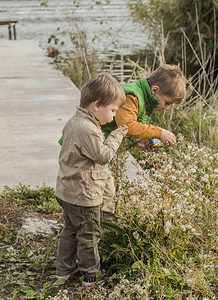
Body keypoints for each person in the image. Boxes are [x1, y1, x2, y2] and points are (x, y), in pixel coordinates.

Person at [55, 73, 128, 286]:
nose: (114, 117)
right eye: (113, 110)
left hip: (67, 191)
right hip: (83, 196)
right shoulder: (88, 129)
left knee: (70, 231)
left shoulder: (74, 122)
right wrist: (116, 136)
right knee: (89, 235)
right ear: (97, 106)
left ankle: (63, 270)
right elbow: (102, 156)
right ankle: (90, 275)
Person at [101, 64, 186, 150]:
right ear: (155, 90)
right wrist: (160, 133)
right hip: (96, 141)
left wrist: (135, 143)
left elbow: (120, 128)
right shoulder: (131, 97)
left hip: (107, 143)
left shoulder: (146, 101)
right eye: (167, 103)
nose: (167, 108)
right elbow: (127, 126)